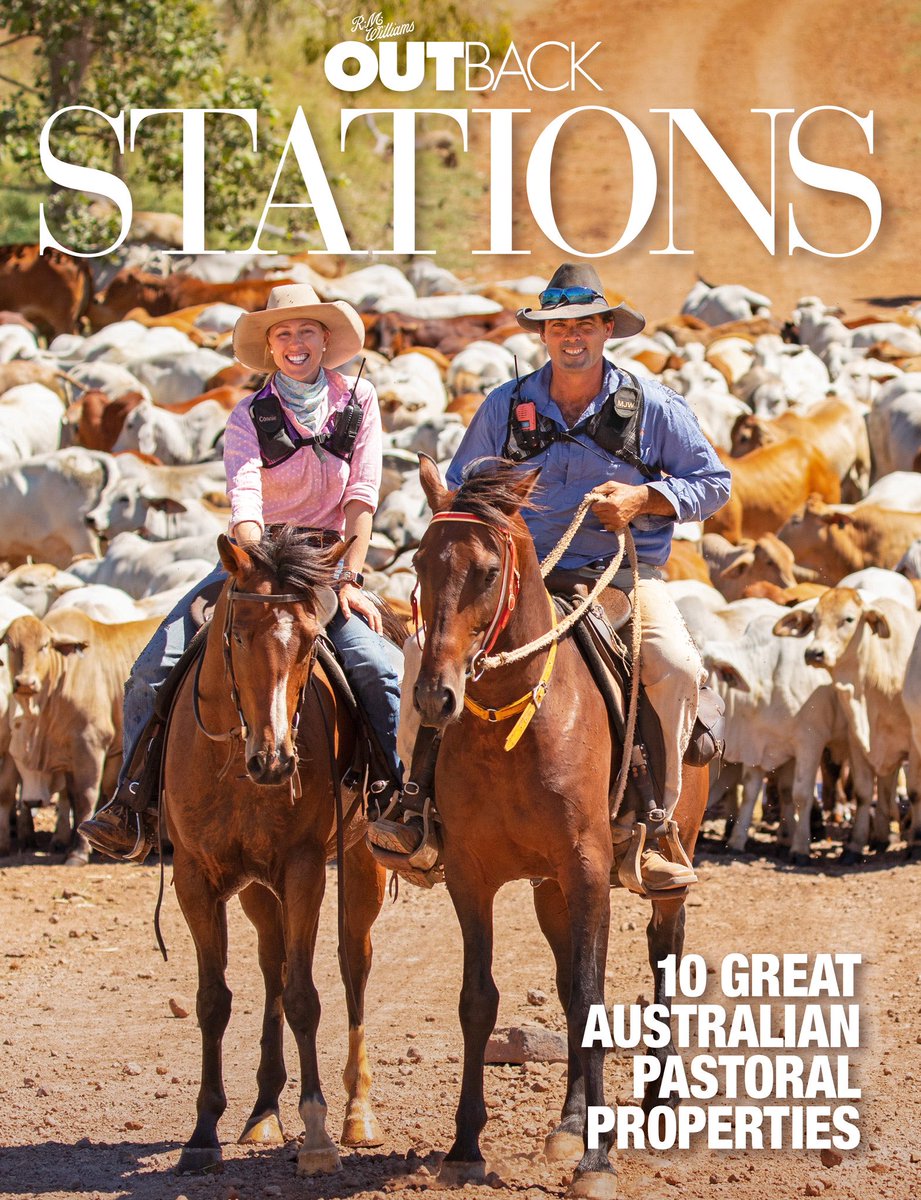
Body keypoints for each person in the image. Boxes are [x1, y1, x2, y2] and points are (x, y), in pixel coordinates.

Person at [372, 263, 730, 892]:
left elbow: (714, 483)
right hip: (510, 583)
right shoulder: (507, 407)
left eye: (585, 325)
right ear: (544, 334)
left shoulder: (652, 408)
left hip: (618, 574)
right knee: (417, 655)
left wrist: (645, 498)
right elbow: (464, 495)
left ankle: (659, 824)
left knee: (674, 665)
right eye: (560, 325)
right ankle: (416, 805)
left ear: (605, 331)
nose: (573, 336)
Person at [80, 284, 402, 862]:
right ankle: (133, 803)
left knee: (379, 670)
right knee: (152, 669)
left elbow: (362, 496)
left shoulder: (360, 401)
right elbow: (245, 502)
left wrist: (351, 578)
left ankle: (397, 799)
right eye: (283, 334)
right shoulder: (247, 416)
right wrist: (258, 572)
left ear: (326, 340)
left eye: (306, 331)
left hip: (328, 566)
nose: (296, 343)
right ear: (271, 347)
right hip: (257, 563)